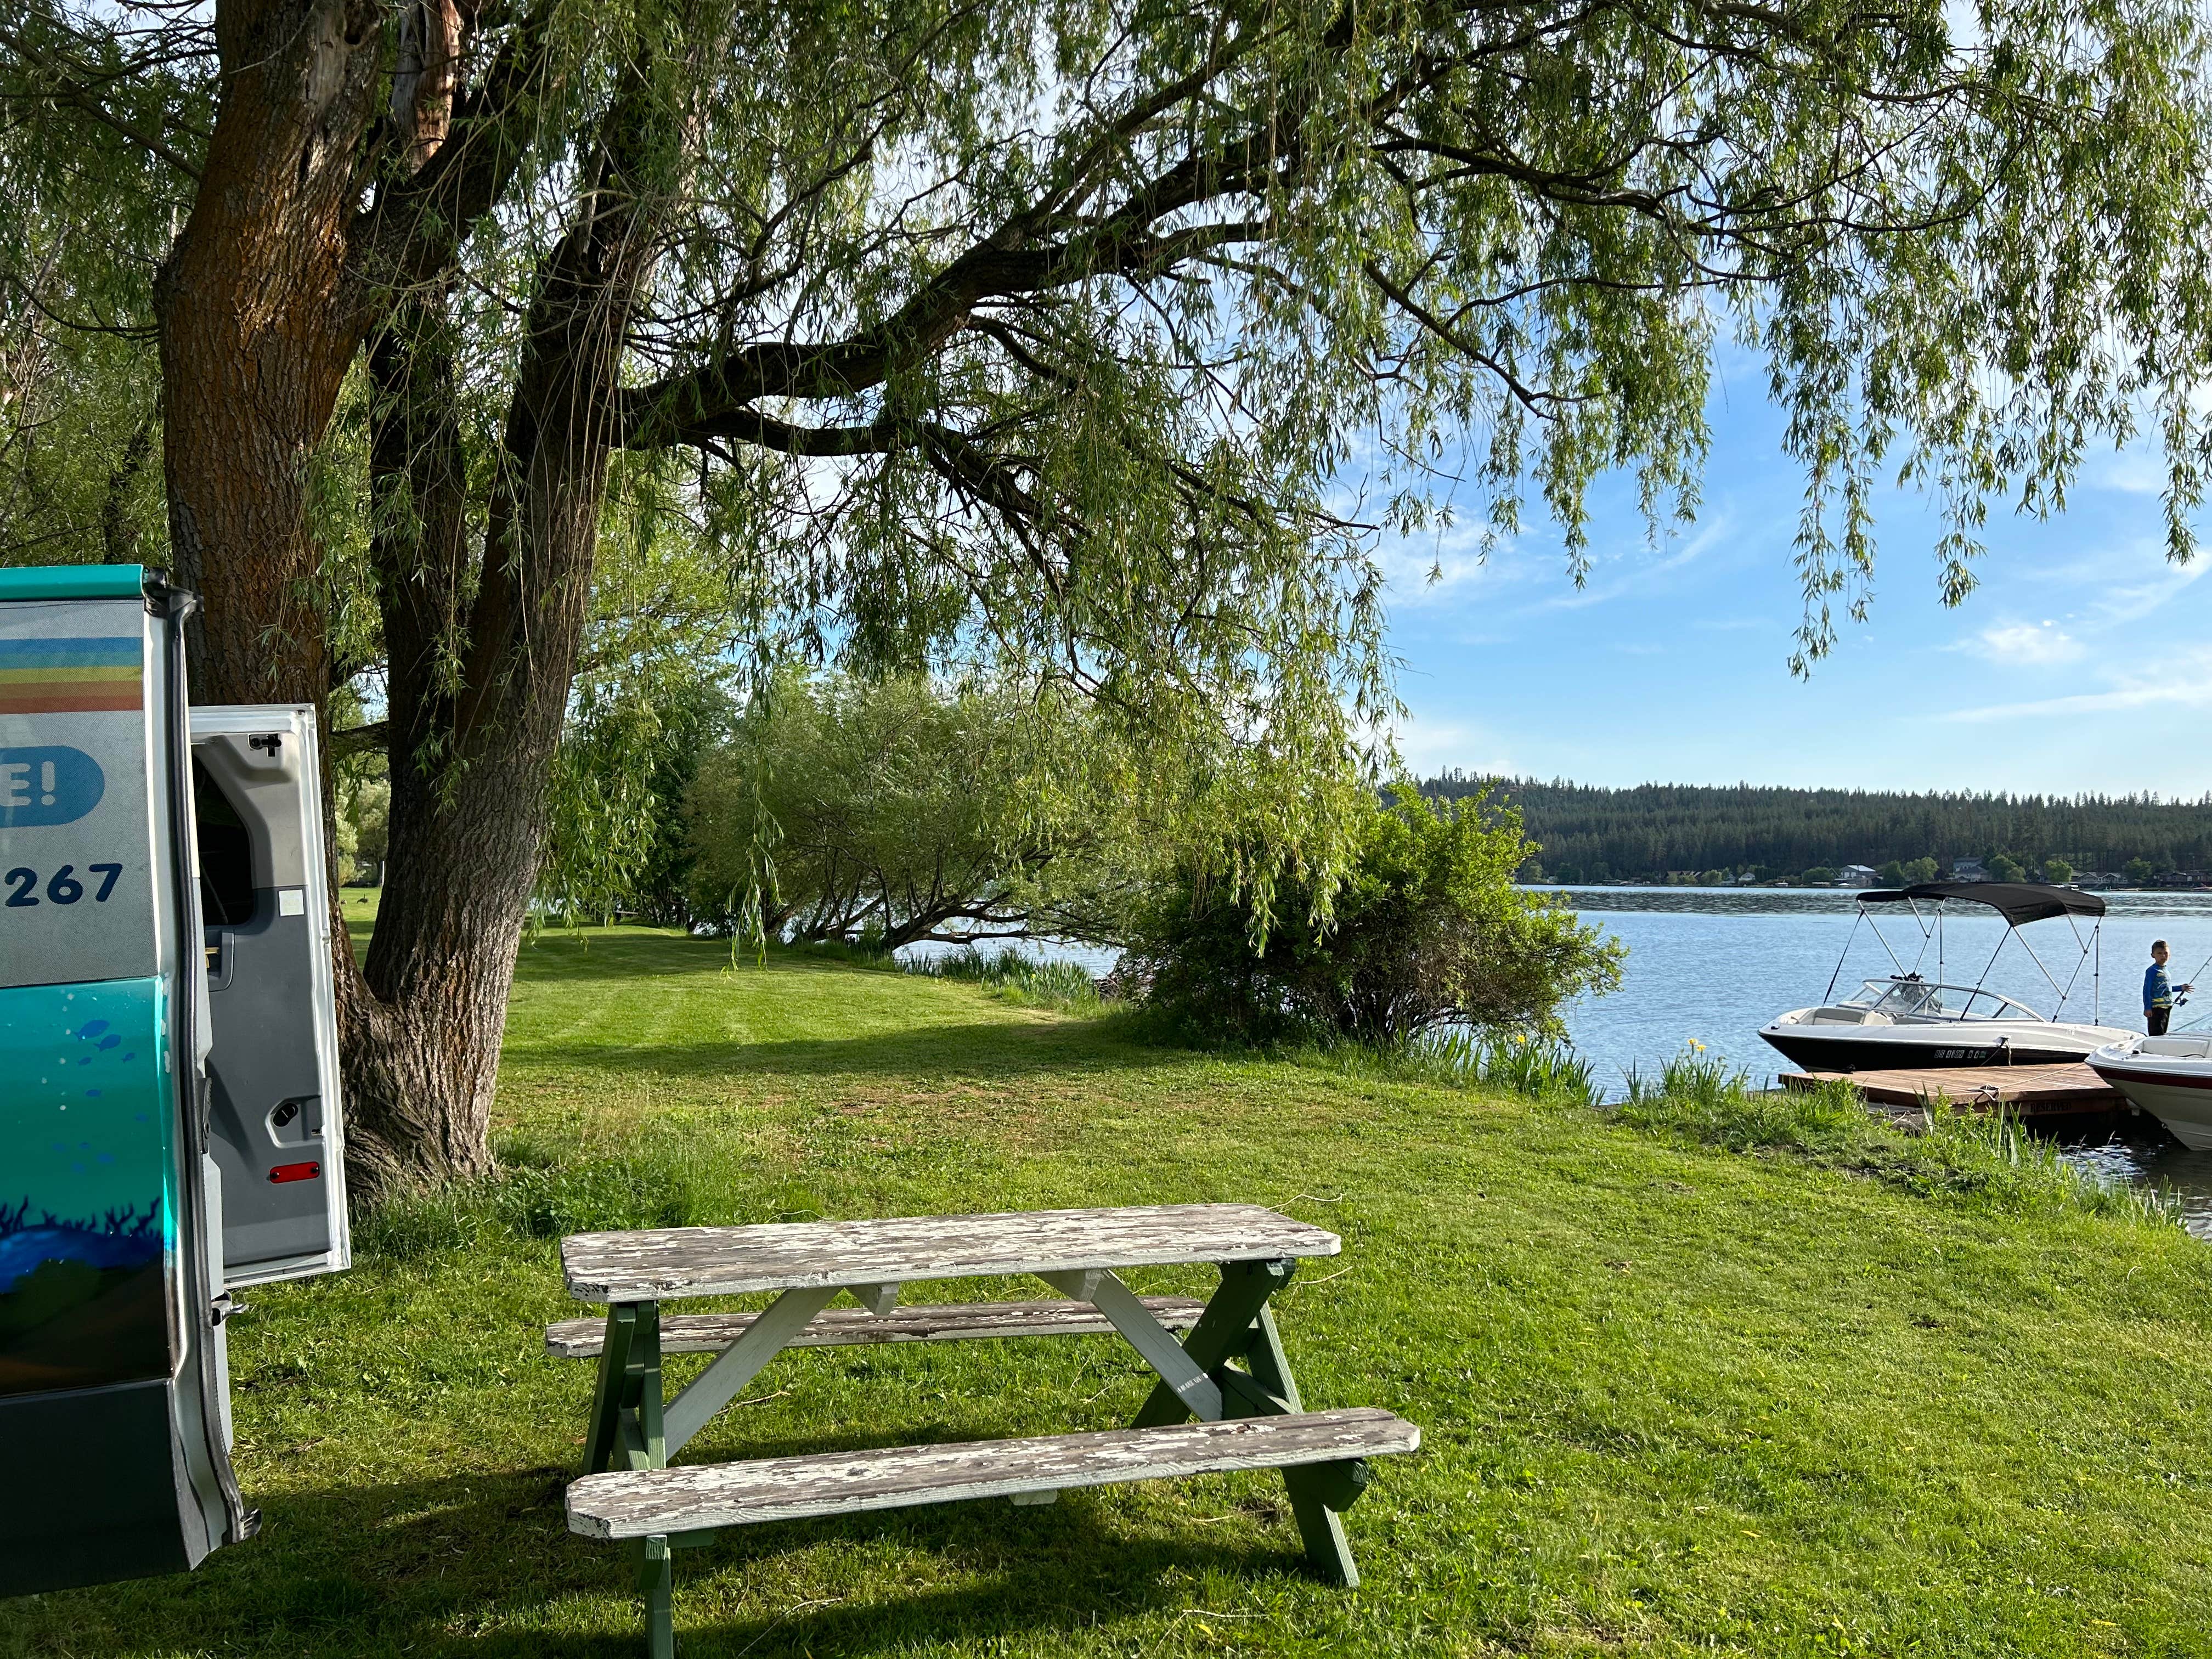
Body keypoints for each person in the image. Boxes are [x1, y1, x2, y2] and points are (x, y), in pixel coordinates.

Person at [2145, 940, 2193, 1035]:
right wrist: (2147, 1008)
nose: (2163, 956)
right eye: (2160, 953)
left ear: (2169, 955)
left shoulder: (2166, 970)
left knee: (2163, 1033)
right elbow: (2146, 991)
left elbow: (2166, 988)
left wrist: (2181, 988)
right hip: (2156, 1008)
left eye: (2166, 953)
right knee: (2156, 1033)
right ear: (2153, 955)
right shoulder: (2152, 971)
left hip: (2167, 1007)